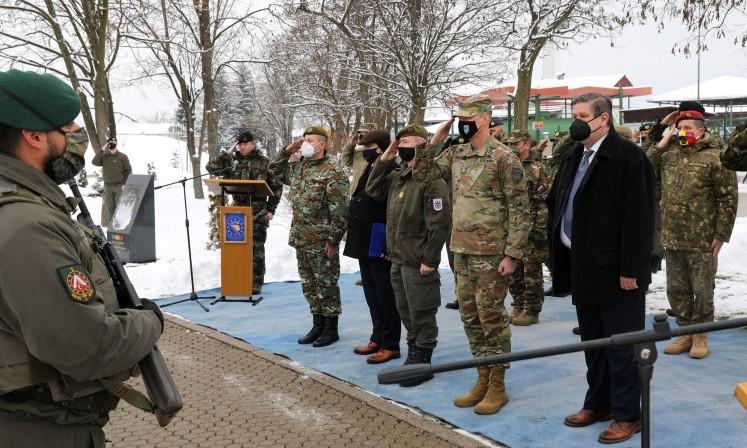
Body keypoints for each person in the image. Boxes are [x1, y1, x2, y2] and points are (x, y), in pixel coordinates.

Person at [0, 69, 163, 448]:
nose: (77, 136)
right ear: (34, 136)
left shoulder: (26, 207)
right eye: (68, 126)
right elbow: (87, 349)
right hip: (38, 430)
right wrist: (148, 322)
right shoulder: (27, 225)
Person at [547, 93, 655, 444]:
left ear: (603, 119)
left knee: (622, 348)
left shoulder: (628, 157)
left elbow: (639, 219)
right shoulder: (573, 154)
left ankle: (627, 414)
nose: (575, 122)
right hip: (584, 267)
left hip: (617, 272)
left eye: (582, 115)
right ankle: (599, 403)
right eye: (573, 115)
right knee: (593, 344)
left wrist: (632, 270)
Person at [413, 94, 529, 415]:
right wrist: (433, 140)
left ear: (484, 119)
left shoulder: (504, 158)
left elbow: (520, 210)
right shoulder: (456, 153)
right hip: (461, 250)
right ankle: (482, 375)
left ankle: (497, 384)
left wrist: (513, 254)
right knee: (469, 316)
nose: (463, 121)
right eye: (460, 116)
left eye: (469, 116)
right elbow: (423, 174)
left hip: (492, 254)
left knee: (491, 316)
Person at [648, 104, 738, 359]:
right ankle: (684, 332)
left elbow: (727, 199)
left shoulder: (716, 157)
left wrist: (721, 235)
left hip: (702, 238)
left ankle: (700, 336)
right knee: (677, 291)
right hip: (674, 236)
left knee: (703, 290)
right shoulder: (670, 155)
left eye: (687, 128)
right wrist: (662, 137)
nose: (682, 132)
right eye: (679, 128)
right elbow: (645, 167)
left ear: (701, 130)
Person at [366, 124, 451, 386]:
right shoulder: (400, 176)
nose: (403, 146)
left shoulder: (431, 180)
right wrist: (385, 158)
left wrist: (430, 260)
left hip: (418, 260)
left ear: (423, 145)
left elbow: (439, 223)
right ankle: (413, 352)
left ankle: (422, 360)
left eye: (409, 141)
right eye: (399, 142)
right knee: (405, 309)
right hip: (398, 258)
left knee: (422, 310)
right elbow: (372, 188)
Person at [268, 126, 349, 347]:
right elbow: (273, 170)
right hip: (301, 238)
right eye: (303, 139)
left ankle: (331, 328)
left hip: (322, 240)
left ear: (322, 145)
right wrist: (288, 150)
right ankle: (317, 324)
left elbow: (340, 210)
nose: (304, 143)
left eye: (310, 140)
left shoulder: (333, 172)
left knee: (326, 284)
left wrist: (333, 240)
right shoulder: (299, 168)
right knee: (309, 285)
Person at [344, 129, 402, 364]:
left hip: (379, 238)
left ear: (379, 148)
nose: (364, 152)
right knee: (371, 293)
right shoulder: (372, 165)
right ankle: (377, 336)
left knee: (385, 293)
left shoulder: (390, 169)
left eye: (367, 148)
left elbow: (390, 208)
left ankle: (391, 343)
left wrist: (389, 243)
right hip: (363, 239)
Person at [206, 131, 282, 294]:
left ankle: (256, 282)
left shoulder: (264, 163)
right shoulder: (231, 162)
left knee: (256, 248)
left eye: (245, 144)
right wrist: (228, 153)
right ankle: (236, 278)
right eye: (240, 144)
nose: (242, 147)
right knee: (235, 246)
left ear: (253, 144)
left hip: (258, 211)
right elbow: (210, 167)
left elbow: (276, 187)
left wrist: (271, 209)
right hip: (236, 212)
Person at [505, 129, 551, 326]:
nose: (511, 147)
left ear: (526, 144)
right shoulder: (507, 165)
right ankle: (518, 305)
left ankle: (532, 310)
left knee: (531, 272)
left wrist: (540, 230)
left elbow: (543, 202)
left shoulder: (537, 167)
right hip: (512, 227)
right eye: (509, 144)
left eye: (515, 144)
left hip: (531, 227)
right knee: (513, 270)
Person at [340, 123, 379, 287]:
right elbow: (345, 160)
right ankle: (365, 275)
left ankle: (374, 274)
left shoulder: (378, 155)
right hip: (357, 200)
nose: (362, 138)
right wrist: (351, 143)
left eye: (366, 135)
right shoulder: (358, 155)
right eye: (361, 134)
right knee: (359, 239)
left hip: (373, 202)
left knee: (372, 240)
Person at [92, 136, 132, 227]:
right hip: (107, 187)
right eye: (110, 142)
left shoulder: (122, 156)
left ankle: (120, 229)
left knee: (119, 209)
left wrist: (125, 184)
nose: (112, 143)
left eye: (114, 142)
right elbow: (94, 162)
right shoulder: (105, 157)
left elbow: (128, 171)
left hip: (119, 186)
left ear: (116, 143)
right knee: (110, 210)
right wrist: (103, 148)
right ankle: (112, 230)